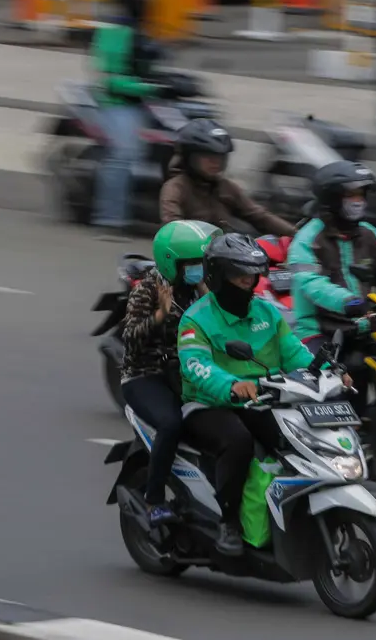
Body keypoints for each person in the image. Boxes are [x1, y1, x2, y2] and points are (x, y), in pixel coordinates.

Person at [177, 233, 350, 557]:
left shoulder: (267, 313)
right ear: (217, 276)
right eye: (237, 273)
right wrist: (231, 384)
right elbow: (195, 366)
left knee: (298, 438)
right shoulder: (196, 318)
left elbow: (295, 353)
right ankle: (229, 521)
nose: (247, 280)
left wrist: (330, 371)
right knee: (238, 441)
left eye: (252, 273)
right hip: (209, 404)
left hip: (265, 397)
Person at [120, 219, 222, 528]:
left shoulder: (196, 288)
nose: (198, 269)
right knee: (170, 423)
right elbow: (130, 337)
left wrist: (209, 298)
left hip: (185, 370)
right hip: (145, 375)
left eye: (200, 263)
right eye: (192, 264)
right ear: (173, 263)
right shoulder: (150, 290)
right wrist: (161, 315)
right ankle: (154, 500)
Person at [286, 161, 376, 379]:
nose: (358, 201)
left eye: (361, 195)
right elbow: (312, 283)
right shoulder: (308, 239)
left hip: (365, 326)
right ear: (331, 198)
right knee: (330, 386)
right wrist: (347, 301)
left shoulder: (369, 234)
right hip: (319, 331)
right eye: (351, 195)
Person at [90, 0, 161, 241]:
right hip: (117, 105)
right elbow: (111, 81)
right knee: (123, 154)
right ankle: (109, 218)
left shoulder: (140, 30)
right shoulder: (113, 31)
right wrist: (149, 87)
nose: (149, 4)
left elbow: (150, 63)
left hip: (142, 103)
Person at [160, 118, 296, 237]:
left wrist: (295, 234)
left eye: (220, 157)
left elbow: (259, 216)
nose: (216, 163)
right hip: (190, 259)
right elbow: (173, 228)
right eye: (208, 157)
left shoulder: (226, 187)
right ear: (190, 157)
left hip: (223, 255)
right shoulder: (175, 188)